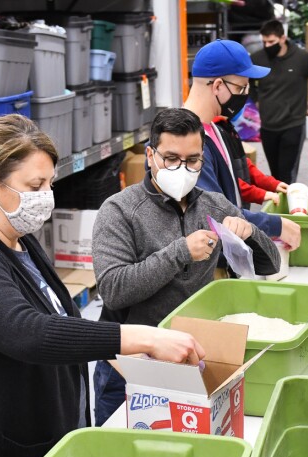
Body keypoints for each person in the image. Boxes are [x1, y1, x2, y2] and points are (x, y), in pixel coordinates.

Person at [0, 114, 205, 457]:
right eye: (35, 186)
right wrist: (142, 337)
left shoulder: (18, 240)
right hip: (2, 456)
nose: (46, 196)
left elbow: (61, 320)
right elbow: (27, 332)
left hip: (51, 434)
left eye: (49, 184)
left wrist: (124, 360)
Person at [92, 108, 280, 425]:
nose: (182, 169)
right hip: (132, 364)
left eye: (193, 160)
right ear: (150, 155)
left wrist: (251, 234)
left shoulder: (213, 203)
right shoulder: (120, 211)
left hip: (193, 358)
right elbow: (113, 291)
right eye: (171, 159)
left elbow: (270, 264)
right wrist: (180, 252)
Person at [186, 39, 301, 250]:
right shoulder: (185, 142)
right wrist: (277, 225)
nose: (245, 95)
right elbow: (212, 211)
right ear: (218, 86)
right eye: (241, 87)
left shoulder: (215, 129)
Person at [249, 19, 308, 183]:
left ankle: (287, 207)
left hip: (293, 124)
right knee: (274, 174)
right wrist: (256, 98)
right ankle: (277, 205)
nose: (267, 45)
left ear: (282, 38)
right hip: (268, 125)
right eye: (264, 42)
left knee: (287, 174)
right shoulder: (258, 58)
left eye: (271, 41)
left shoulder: (302, 58)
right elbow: (247, 80)